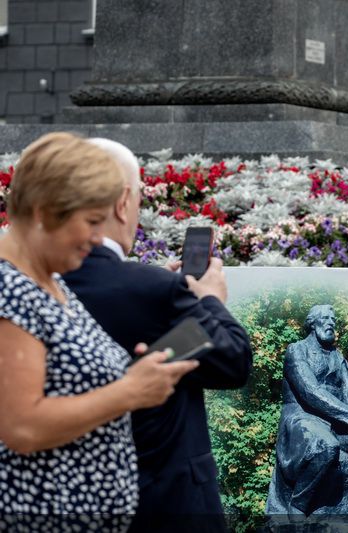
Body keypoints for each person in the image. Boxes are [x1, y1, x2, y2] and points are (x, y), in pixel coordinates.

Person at [0, 132, 197, 527]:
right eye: (91, 221)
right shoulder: (10, 288)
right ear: (44, 211)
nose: (96, 238)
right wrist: (129, 391)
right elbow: (22, 426)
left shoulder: (48, 281)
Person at [61, 138, 253, 532]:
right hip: (165, 503)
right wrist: (209, 300)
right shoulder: (153, 290)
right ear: (122, 202)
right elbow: (232, 361)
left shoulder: (28, 283)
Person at [266, 305, 348, 527]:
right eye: (326, 318)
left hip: (336, 423)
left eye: (334, 319)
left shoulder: (337, 357)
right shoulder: (297, 350)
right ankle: (298, 505)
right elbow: (310, 391)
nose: (331, 323)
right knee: (326, 444)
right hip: (302, 420)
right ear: (312, 324)